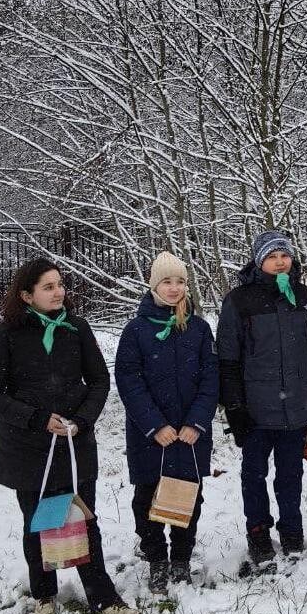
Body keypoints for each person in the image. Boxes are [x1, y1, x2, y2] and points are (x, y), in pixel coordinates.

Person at [0, 257, 140, 614]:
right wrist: (36, 418)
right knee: (38, 522)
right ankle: (44, 594)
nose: (58, 292)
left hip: (74, 444)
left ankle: (103, 598)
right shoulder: (8, 333)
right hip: (28, 448)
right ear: (27, 294)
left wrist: (81, 420)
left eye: (60, 284)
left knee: (82, 520)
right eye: (48, 287)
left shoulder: (76, 328)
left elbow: (99, 381)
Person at [217, 231, 307, 574]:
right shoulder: (239, 300)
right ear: (258, 260)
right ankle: (259, 534)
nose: (280, 261)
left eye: (285, 255)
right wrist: (235, 408)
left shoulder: (304, 297)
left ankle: (292, 532)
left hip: (296, 407)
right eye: (272, 255)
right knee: (254, 475)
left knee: (291, 474)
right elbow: (228, 360)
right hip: (255, 410)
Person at [115, 251, 219, 593]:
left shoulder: (199, 329)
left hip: (190, 434)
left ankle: (181, 558)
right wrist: (155, 424)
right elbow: (129, 380)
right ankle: (156, 557)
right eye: (167, 281)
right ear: (153, 285)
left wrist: (197, 422)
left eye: (181, 282)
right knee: (147, 499)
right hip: (152, 436)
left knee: (188, 497)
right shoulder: (136, 331)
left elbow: (210, 379)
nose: (174, 289)